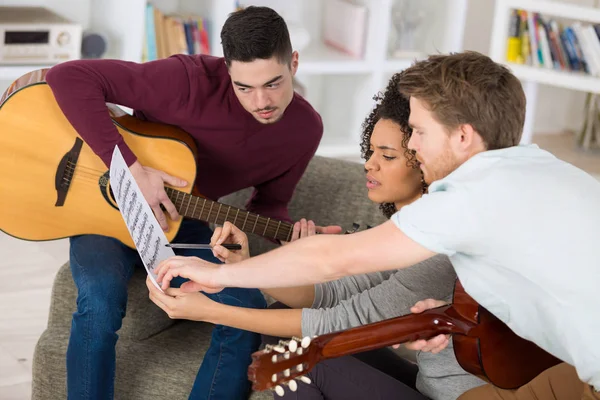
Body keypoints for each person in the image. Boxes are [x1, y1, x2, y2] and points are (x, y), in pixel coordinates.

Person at [154, 51, 600, 400]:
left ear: (463, 137)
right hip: (573, 372)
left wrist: (217, 277)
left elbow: (335, 260)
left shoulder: (469, 197)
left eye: (421, 131)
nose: (415, 147)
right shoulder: (543, 168)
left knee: (308, 360)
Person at [44, 6, 341, 400]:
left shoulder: (305, 130)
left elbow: (269, 207)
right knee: (99, 301)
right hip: (106, 216)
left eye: (273, 83)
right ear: (226, 70)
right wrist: (132, 169)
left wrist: (290, 240)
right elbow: (67, 76)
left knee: (246, 305)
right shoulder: (184, 80)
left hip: (187, 223)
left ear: (295, 64)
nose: (261, 101)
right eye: (244, 87)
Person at [146, 73, 485, 400]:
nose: (369, 164)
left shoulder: (439, 246)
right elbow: (334, 294)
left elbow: (341, 319)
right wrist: (246, 267)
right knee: (283, 329)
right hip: (427, 386)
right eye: (371, 152)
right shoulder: (406, 231)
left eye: (388, 155)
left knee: (296, 363)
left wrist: (208, 310)